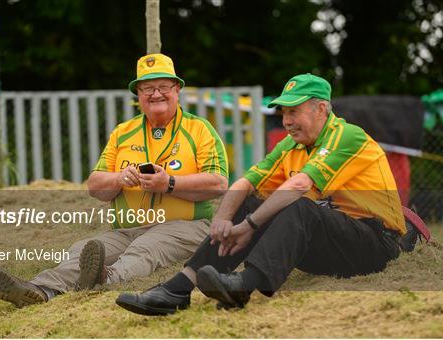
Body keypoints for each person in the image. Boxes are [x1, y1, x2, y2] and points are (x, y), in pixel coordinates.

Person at [115, 73, 406, 316]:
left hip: (376, 244)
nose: (287, 121)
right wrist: (224, 219)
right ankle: (179, 288)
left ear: (321, 109)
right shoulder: (291, 146)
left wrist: (248, 226)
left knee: (297, 205)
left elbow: (299, 186)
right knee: (252, 202)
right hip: (328, 245)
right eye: (284, 113)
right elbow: (246, 182)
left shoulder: (347, 135)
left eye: (294, 111)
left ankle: (243, 286)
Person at [0, 53, 228, 308]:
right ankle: (41, 289)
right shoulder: (123, 133)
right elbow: (95, 185)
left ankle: (107, 279)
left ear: (177, 89)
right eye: (147, 88)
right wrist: (119, 178)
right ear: (138, 95)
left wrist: (169, 183)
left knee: (147, 247)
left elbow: (219, 183)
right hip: (126, 230)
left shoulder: (199, 129)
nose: (156, 94)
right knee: (85, 248)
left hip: (186, 226)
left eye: (163, 87)